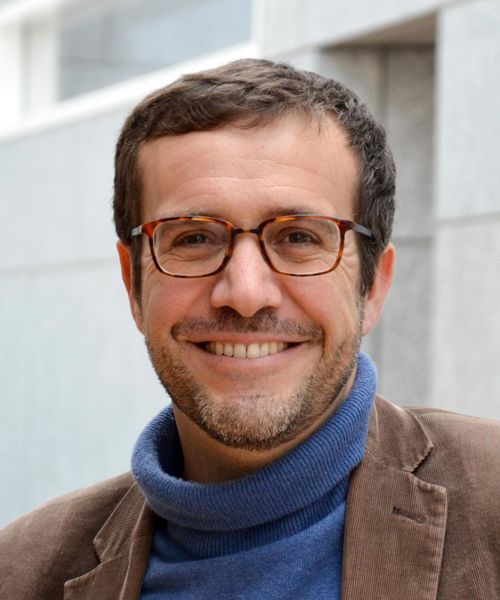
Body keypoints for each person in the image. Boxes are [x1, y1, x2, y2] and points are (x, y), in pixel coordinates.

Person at [1, 58, 499, 600]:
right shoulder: (21, 571)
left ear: (373, 285)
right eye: (193, 238)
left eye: (300, 237)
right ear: (133, 283)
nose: (244, 293)